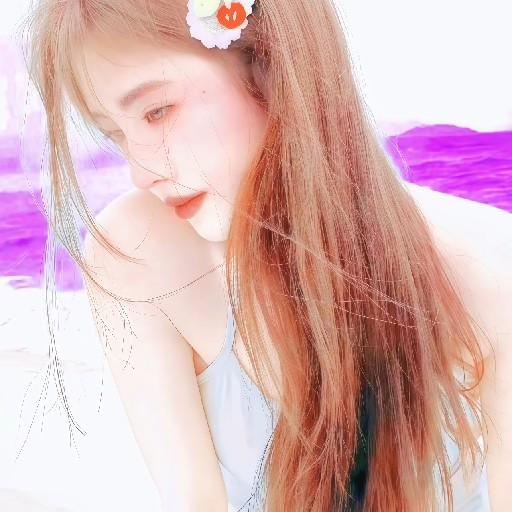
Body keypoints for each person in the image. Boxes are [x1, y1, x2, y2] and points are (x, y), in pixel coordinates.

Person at [19, 0, 512, 511]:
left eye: (157, 111)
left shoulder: (487, 271)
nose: (141, 173)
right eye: (116, 134)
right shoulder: (137, 251)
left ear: (270, 63)